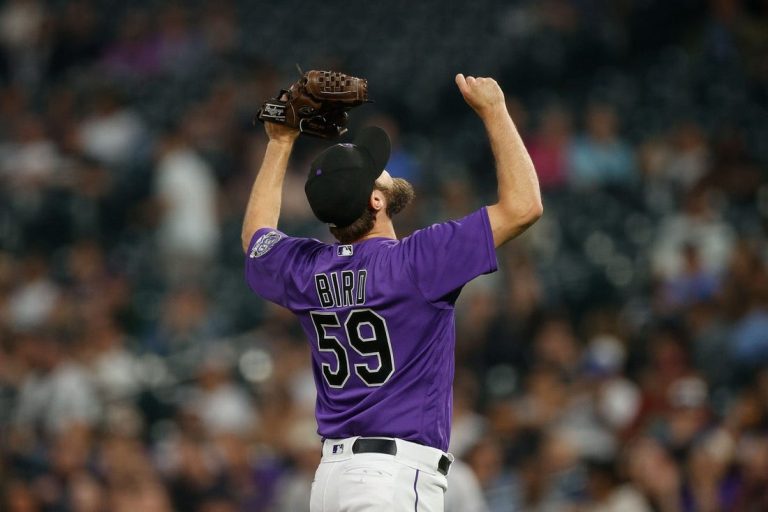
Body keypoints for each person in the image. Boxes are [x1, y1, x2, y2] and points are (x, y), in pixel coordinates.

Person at [241, 74, 542, 511]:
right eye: (378, 169)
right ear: (376, 201)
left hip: (330, 482)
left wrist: (279, 144)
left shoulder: (306, 269)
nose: (388, 168)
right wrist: (495, 110)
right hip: (390, 479)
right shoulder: (416, 262)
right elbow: (525, 206)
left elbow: (256, 238)